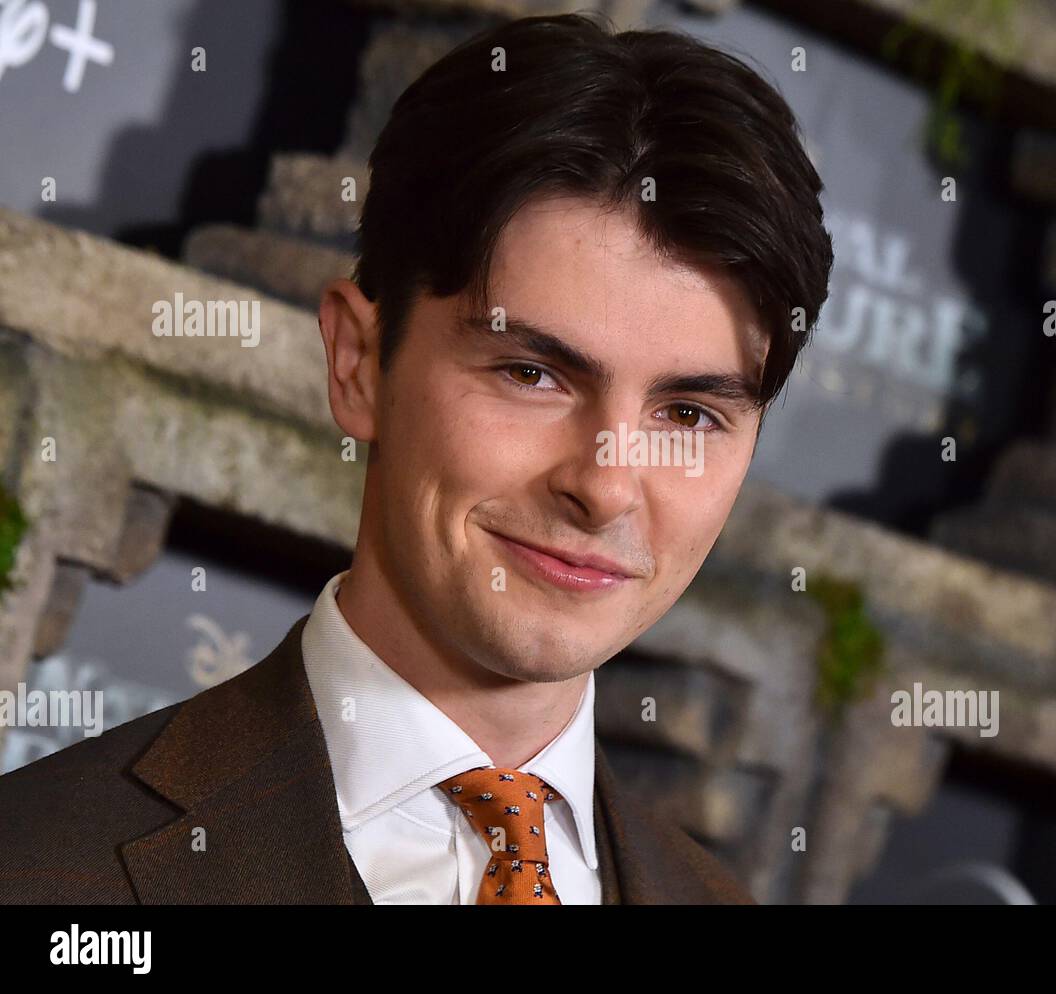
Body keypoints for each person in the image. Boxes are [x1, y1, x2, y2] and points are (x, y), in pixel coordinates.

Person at [0, 11, 833, 904]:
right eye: (531, 373)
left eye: (690, 414)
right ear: (357, 362)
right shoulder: (40, 866)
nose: (604, 484)